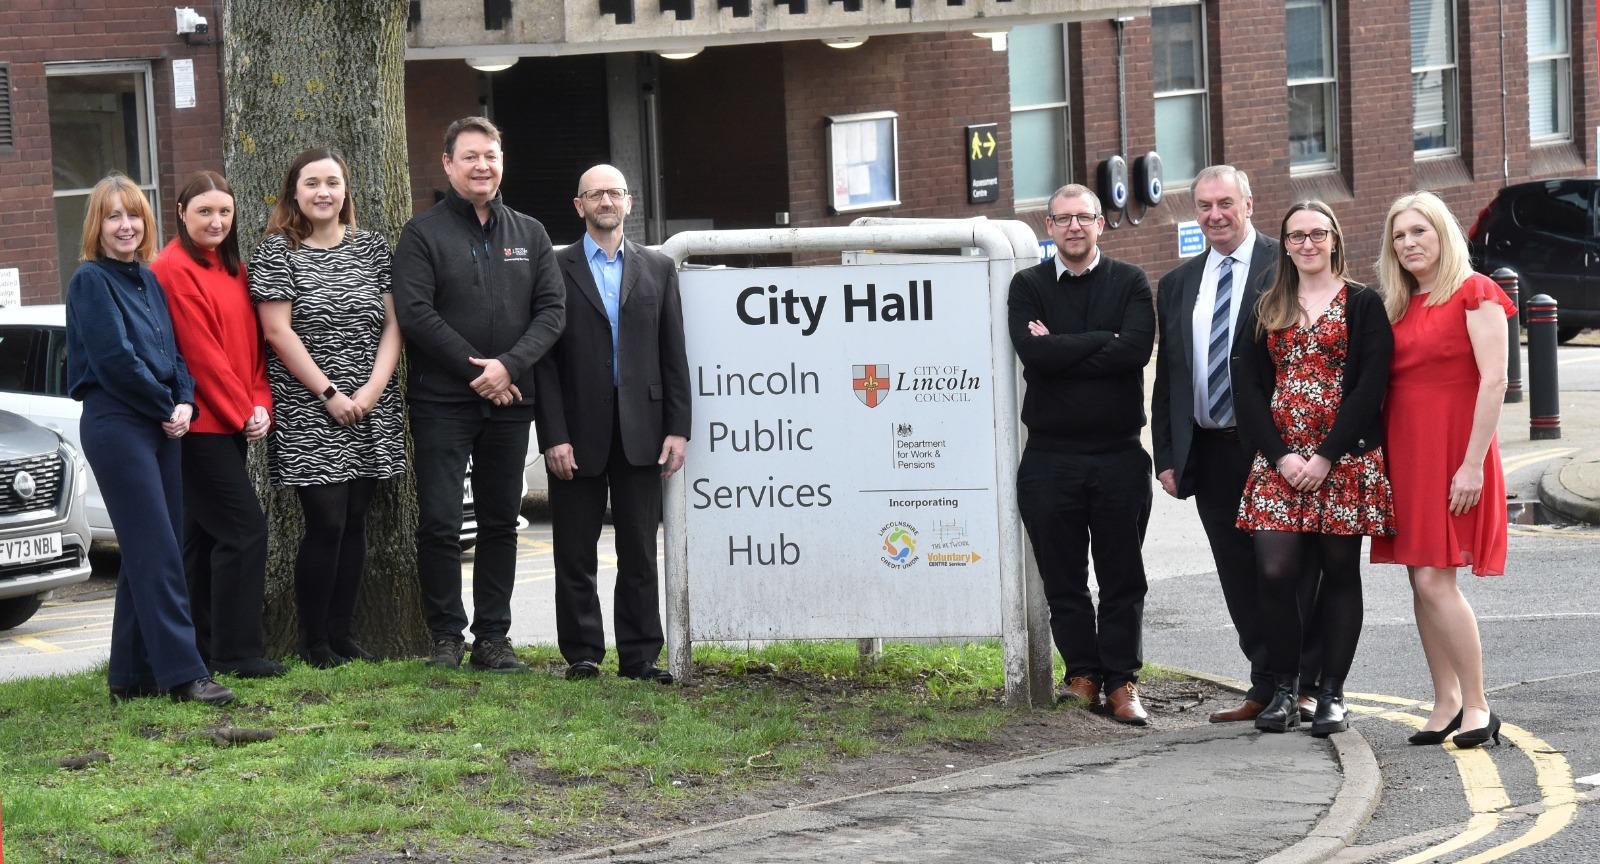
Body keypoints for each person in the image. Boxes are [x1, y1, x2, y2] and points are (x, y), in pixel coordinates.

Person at [393, 116, 566, 671]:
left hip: (512, 402)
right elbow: (415, 313)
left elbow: (552, 312)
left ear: (501, 162)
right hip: (442, 403)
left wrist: (508, 368)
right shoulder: (422, 234)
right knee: (440, 522)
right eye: (469, 156)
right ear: (448, 164)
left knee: (499, 523)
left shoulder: (531, 233)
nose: (481, 165)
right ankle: (446, 636)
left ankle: (493, 637)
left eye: (490, 155)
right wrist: (478, 372)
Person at [1152, 165, 1322, 723]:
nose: (1215, 215)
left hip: (1277, 449)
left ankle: (1302, 684)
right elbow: (1171, 377)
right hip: (1210, 449)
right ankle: (1264, 682)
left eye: (1225, 202)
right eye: (1204, 205)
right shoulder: (1178, 283)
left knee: (1286, 571)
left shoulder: (1288, 264)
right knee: (1236, 572)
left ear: (1249, 204)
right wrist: (1168, 454)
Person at [65, 174, 234, 706]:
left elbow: (175, 355)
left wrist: (184, 399)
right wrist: (166, 406)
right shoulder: (91, 282)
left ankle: (130, 675)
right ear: (98, 224)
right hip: (119, 423)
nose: (126, 225)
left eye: (134, 215)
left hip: (162, 423)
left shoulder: (149, 280)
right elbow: (115, 360)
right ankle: (185, 674)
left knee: (149, 549)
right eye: (114, 216)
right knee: (158, 549)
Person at [1233, 201, 1394, 735]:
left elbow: (1371, 386)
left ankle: (1331, 693)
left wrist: (1326, 454)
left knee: (1340, 572)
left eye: (1317, 234)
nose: (1307, 244)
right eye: (1296, 236)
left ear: (1334, 240)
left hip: (1342, 460)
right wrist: (1282, 455)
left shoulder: (1363, 303)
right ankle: (1282, 690)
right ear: (1284, 243)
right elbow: (1248, 387)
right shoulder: (1267, 304)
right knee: (1275, 572)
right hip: (1279, 462)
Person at [532, 165, 689, 683]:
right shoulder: (553, 268)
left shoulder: (659, 268)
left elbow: (674, 353)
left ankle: (641, 656)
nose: (606, 201)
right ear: (579, 205)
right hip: (575, 433)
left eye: (614, 193)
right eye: (595, 194)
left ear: (629, 202)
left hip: (643, 429)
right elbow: (545, 362)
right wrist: (552, 434)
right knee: (574, 551)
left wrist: (678, 427)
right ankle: (582, 654)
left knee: (640, 551)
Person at [251, 148, 406, 668]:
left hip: (369, 403)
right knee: (327, 523)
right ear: (293, 192)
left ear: (345, 191)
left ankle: (342, 634)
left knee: (358, 520)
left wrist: (369, 393)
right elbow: (277, 331)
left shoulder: (371, 247)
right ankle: (313, 640)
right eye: (312, 183)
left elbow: (392, 326)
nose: (323, 192)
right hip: (309, 407)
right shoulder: (278, 252)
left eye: (333, 182)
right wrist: (330, 394)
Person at [1008, 183, 1156, 724]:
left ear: (1100, 224)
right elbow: (1033, 354)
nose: (1074, 226)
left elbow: (1135, 350)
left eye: (1084, 217)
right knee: (1062, 577)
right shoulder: (1027, 285)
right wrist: (1102, 340)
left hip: (1118, 455)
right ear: (1049, 226)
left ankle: (1122, 683)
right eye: (1063, 218)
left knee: (1122, 575)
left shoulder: (1130, 281)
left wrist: (1062, 345)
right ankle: (1083, 675)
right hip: (1049, 458)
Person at [1372, 191, 1513, 749]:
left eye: (1419, 232)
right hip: (1406, 453)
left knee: (1436, 577)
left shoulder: (1474, 292)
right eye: (1399, 236)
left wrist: (1472, 465)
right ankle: (1445, 700)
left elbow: (1495, 380)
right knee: (1419, 577)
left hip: (1457, 452)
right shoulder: (1397, 304)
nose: (1408, 243)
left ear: (1442, 234)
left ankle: (1478, 704)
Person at [152, 171, 282, 681]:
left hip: (233, 420)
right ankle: (235, 651)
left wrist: (259, 402)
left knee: (204, 541)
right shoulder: (172, 269)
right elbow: (201, 356)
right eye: (204, 211)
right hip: (200, 428)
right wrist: (239, 410)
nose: (216, 221)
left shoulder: (233, 268)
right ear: (181, 213)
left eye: (224, 212)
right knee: (244, 531)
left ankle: (203, 649)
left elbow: (252, 348)